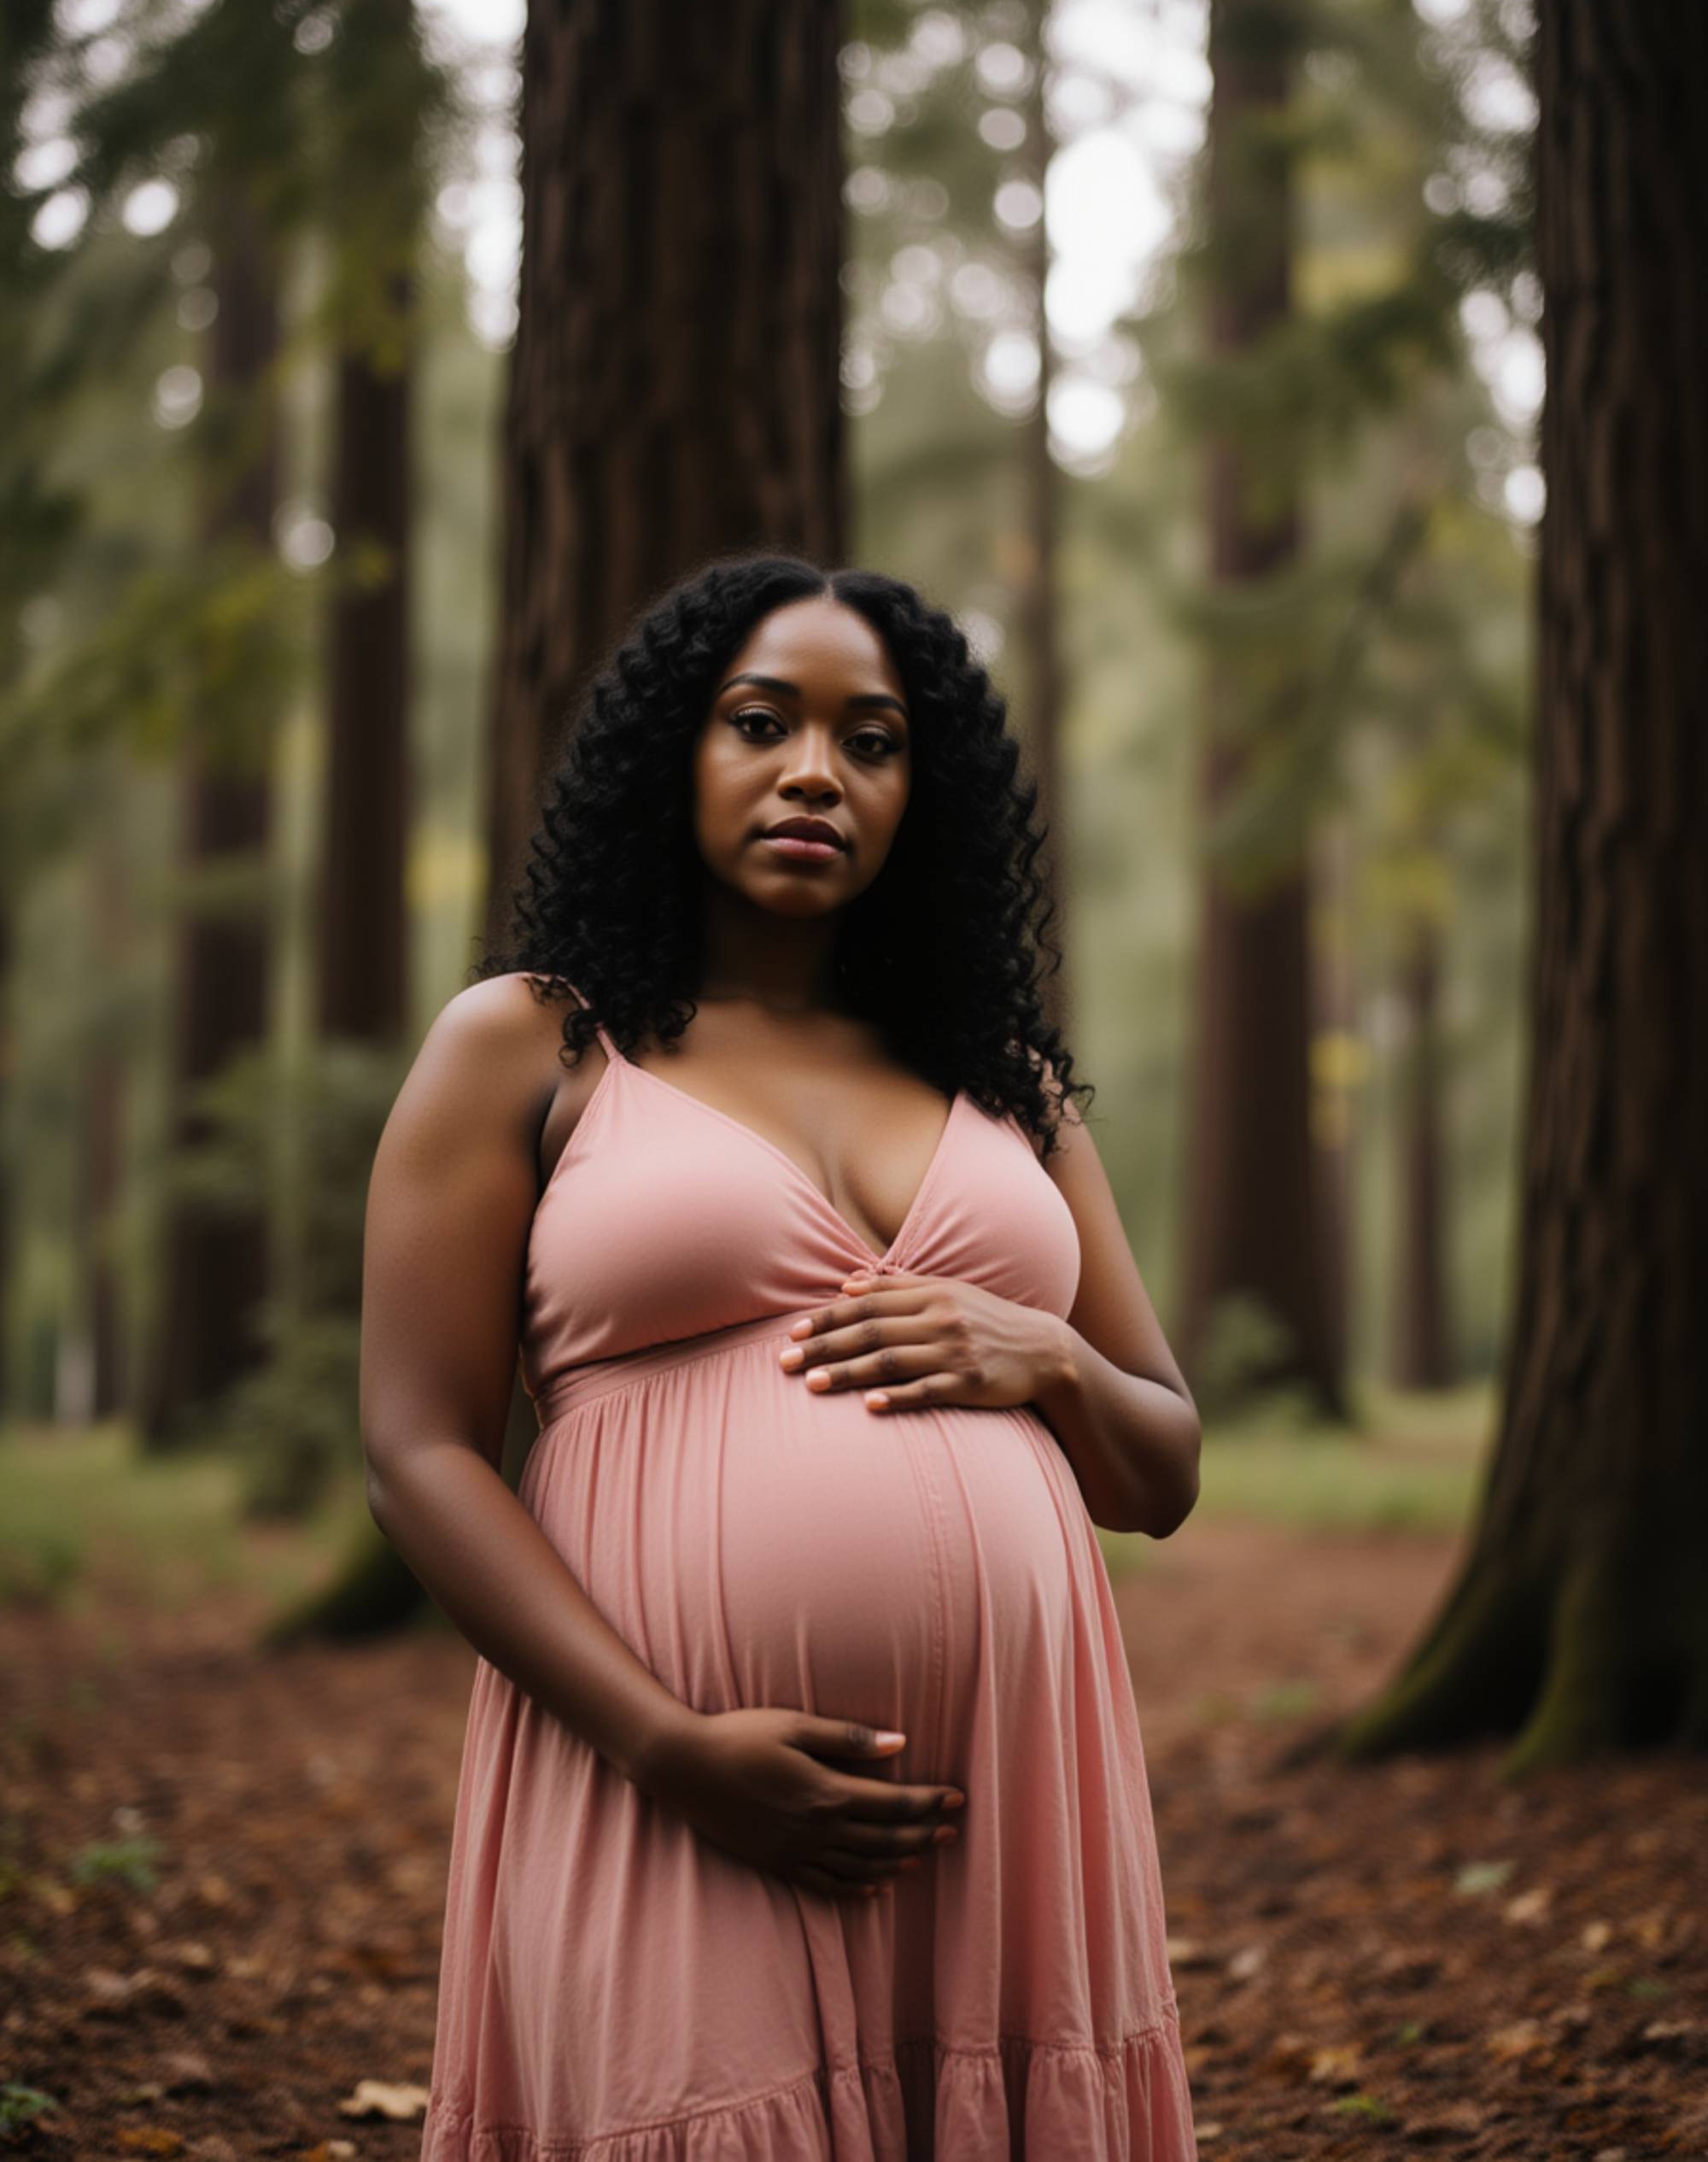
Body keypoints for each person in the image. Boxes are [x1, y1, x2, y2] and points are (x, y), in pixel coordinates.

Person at [361, 553, 1202, 2159]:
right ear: (676, 752)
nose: (817, 770)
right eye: (762, 722)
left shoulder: (1007, 1085)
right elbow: (419, 1449)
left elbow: (1159, 1467)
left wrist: (1048, 1356)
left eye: (872, 740)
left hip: (1009, 1807)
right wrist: (666, 1743)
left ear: (919, 795)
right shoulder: (536, 1041)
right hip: (666, 1770)